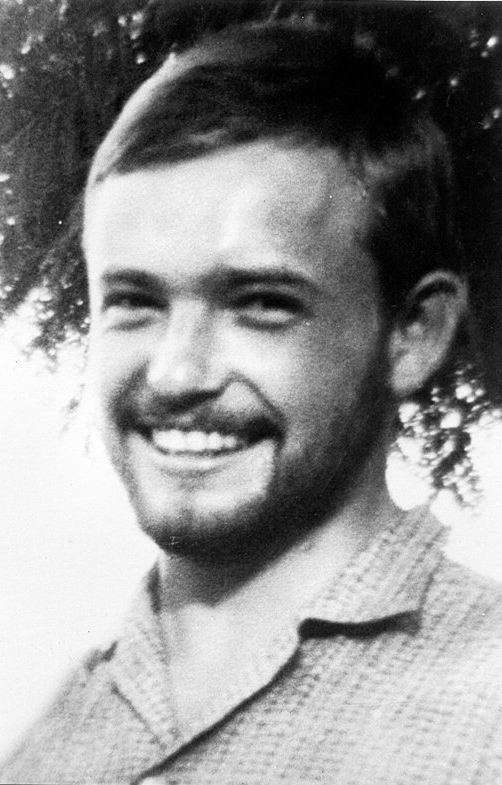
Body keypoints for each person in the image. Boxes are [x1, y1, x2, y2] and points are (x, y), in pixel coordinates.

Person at [1, 8, 501, 784]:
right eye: (133, 301)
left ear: (414, 334)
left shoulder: (485, 705)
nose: (176, 374)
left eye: (260, 304)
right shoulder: (50, 736)